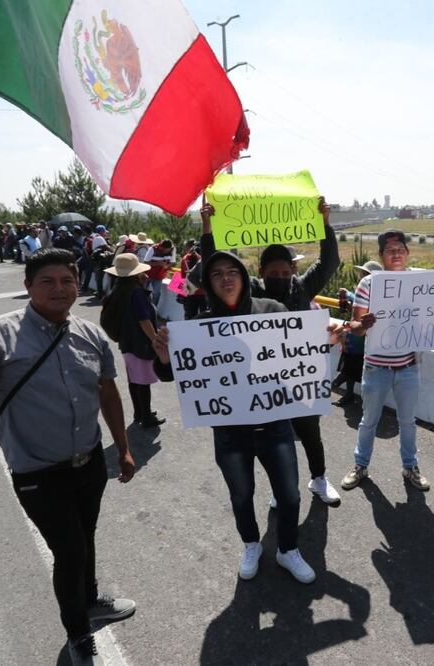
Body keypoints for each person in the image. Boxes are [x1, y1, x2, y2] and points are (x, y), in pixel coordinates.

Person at [0, 248, 137, 665]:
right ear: (28, 286)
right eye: (46, 281)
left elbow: (107, 393)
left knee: (86, 538)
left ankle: (89, 599)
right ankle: (78, 634)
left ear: (77, 285)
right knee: (69, 552)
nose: (59, 289)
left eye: (67, 281)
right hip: (38, 473)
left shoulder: (92, 335)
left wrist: (122, 448)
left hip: (89, 464)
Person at [152, 251, 317, 584]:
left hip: (275, 427)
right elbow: (173, 376)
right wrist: (165, 358)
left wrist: (324, 342)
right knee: (241, 496)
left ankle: (287, 549)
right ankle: (251, 544)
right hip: (230, 433)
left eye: (232, 271)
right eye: (216, 274)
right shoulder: (198, 326)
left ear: (243, 276)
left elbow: (296, 356)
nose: (226, 278)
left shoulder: (273, 311)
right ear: (209, 284)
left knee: (290, 495)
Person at [199, 197, 342, 506]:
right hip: (263, 383)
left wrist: (326, 225)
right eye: (272, 274)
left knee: (310, 433)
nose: (278, 279)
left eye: (284, 273)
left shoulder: (303, 288)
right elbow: (217, 265)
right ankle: (283, 487)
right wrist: (208, 229)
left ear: (292, 269)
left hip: (300, 378)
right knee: (275, 439)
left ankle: (319, 479)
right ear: (261, 271)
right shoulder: (253, 290)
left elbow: (329, 263)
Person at [340, 231, 430, 492]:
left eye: (400, 248)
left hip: (408, 367)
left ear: (407, 252)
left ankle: (410, 466)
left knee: (407, 422)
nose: (396, 253)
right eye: (390, 250)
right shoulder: (368, 284)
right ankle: (360, 465)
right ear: (381, 255)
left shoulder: (419, 281)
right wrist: (362, 324)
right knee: (369, 420)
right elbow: (356, 326)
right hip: (376, 367)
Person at [100, 253, 165, 427]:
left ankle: (139, 413)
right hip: (140, 342)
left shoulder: (118, 288)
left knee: (134, 379)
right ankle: (146, 417)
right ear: (135, 273)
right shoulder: (135, 292)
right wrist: (155, 341)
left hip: (127, 341)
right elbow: (143, 320)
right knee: (143, 381)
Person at [333, 261, 382, 406]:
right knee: (350, 369)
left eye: (364, 274)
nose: (362, 276)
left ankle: (329, 389)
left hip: (360, 340)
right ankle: (348, 395)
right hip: (354, 340)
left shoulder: (373, 293)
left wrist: (347, 294)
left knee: (348, 369)